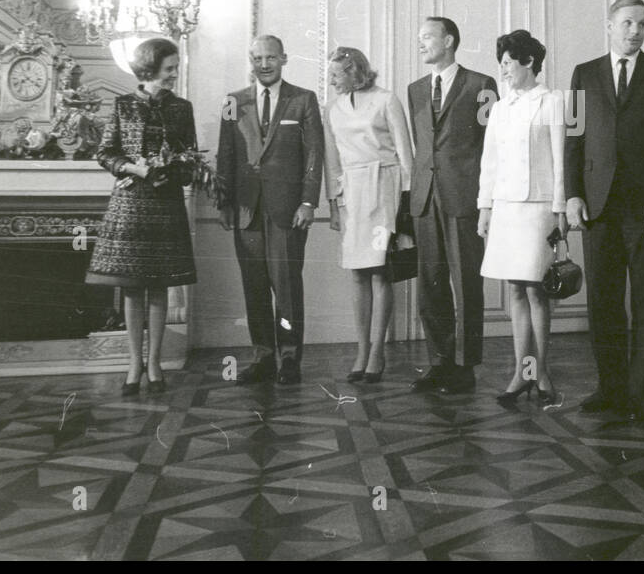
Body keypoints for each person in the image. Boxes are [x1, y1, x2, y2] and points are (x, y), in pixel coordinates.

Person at [565, 0, 644, 422]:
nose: (636, 30)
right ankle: (610, 388)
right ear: (609, 25)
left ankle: (639, 395)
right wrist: (573, 194)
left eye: (643, 24)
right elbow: (573, 139)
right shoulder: (583, 73)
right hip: (597, 206)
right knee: (603, 300)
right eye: (628, 22)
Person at [85, 37, 197, 396]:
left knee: (160, 286)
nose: (174, 75)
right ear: (149, 69)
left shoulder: (182, 108)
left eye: (176, 68)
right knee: (132, 289)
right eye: (169, 69)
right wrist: (135, 168)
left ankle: (155, 363)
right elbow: (105, 154)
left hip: (164, 206)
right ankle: (134, 363)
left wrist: (171, 170)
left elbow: (191, 160)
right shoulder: (122, 106)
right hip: (131, 205)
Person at [216, 35, 324, 386]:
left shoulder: (303, 99)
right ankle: (263, 357)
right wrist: (225, 203)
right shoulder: (233, 102)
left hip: (287, 211)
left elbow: (314, 155)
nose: (264, 64)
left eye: (271, 57)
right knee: (255, 287)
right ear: (251, 60)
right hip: (246, 211)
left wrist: (308, 202)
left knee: (287, 288)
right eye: (258, 58)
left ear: (284, 59)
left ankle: (290, 359)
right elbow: (225, 156)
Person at [406, 17, 499, 395]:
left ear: (449, 40)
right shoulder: (414, 90)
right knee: (430, 286)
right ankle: (440, 363)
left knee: (466, 285)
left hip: (464, 198)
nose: (421, 43)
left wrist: (486, 199)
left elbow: (492, 143)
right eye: (419, 39)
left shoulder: (481, 85)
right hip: (425, 198)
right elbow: (421, 145)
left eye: (427, 37)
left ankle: (465, 366)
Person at [476, 30, 568, 408]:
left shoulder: (556, 101)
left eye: (508, 63)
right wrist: (485, 207)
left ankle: (540, 370)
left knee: (536, 289)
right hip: (506, 208)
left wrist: (561, 209)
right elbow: (490, 161)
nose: (503, 71)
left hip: (540, 207)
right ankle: (522, 371)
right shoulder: (499, 107)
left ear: (529, 62)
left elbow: (563, 158)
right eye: (501, 64)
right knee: (515, 289)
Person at [323, 46, 413, 383]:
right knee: (357, 273)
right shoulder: (333, 108)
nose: (331, 81)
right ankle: (361, 350)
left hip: (384, 189)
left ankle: (377, 351)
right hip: (352, 195)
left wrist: (406, 205)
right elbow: (333, 160)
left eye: (336, 74)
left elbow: (406, 156)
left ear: (354, 70)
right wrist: (334, 202)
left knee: (380, 272)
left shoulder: (386, 99)